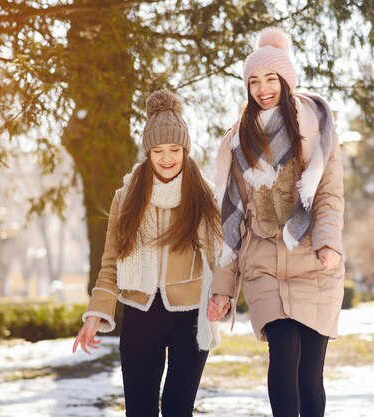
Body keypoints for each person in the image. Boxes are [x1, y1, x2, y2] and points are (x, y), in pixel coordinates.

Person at [207, 28, 345, 417]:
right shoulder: (238, 141)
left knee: (310, 376)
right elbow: (230, 219)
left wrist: (328, 241)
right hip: (263, 262)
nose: (263, 89)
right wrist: (223, 290)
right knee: (284, 353)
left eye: (270, 79)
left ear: (286, 80)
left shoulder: (317, 129)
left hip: (313, 262)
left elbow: (329, 195)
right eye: (253, 81)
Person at [73, 89, 224, 417]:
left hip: (191, 316)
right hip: (141, 313)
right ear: (148, 151)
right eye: (158, 150)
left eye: (174, 149)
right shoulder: (126, 198)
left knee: (177, 409)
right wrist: (97, 311)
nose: (167, 158)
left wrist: (222, 296)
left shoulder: (204, 196)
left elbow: (221, 257)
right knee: (139, 411)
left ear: (185, 149)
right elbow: (112, 260)